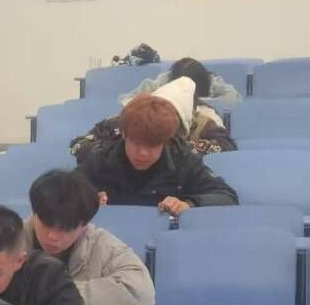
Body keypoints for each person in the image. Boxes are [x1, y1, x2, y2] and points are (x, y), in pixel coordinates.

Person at [76, 83, 239, 213]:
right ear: (124, 135)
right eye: (137, 143)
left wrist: (188, 204)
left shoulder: (182, 160)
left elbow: (226, 196)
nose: (143, 153)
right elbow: (66, 192)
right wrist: (87, 199)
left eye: (153, 145)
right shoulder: (101, 159)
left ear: (165, 141)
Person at [25, 169, 155, 305]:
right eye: (46, 224)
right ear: (35, 213)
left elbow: (141, 293)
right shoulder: (10, 239)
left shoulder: (102, 244)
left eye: (65, 229)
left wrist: (55, 294)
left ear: (84, 226)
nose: (52, 236)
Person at [111, 58, 239, 154]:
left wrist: (174, 150)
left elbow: (226, 145)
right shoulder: (140, 115)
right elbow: (105, 133)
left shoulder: (205, 121)